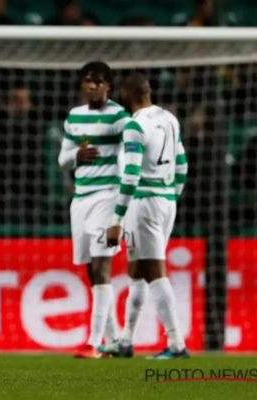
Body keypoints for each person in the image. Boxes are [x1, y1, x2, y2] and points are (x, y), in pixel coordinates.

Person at [105, 72, 190, 359]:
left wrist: (117, 220)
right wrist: (170, 197)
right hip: (165, 200)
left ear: (125, 95)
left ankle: (177, 343)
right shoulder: (169, 118)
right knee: (138, 271)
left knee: (154, 272)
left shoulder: (134, 125)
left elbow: (130, 175)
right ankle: (126, 341)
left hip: (143, 205)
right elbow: (182, 164)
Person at [58, 61, 130, 358]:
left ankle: (95, 342)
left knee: (101, 266)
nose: (92, 86)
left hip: (108, 197)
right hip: (81, 200)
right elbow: (62, 159)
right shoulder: (74, 116)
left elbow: (132, 153)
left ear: (108, 86)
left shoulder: (120, 117)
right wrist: (77, 154)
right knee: (91, 270)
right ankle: (115, 340)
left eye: (98, 81)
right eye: (87, 81)